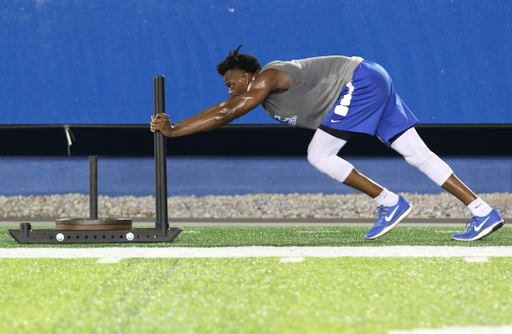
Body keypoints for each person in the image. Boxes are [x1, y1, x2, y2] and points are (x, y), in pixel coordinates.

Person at [150, 45, 505, 241]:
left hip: (359, 80)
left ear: (246, 77)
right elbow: (225, 106)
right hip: (369, 80)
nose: (229, 89)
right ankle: (482, 211)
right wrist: (176, 126)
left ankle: (390, 202)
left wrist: (176, 130)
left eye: (231, 83)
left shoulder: (268, 76)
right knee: (417, 154)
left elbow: (229, 110)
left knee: (319, 153)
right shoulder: (263, 96)